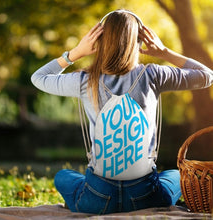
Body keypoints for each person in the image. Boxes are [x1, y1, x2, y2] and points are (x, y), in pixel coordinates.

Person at [31, 10, 213, 214]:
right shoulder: (154, 75)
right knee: (175, 175)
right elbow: (207, 75)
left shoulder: (84, 80)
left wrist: (76, 53)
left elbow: (38, 78)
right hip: (146, 197)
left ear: (100, 41)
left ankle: (84, 195)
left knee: (63, 176)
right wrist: (164, 52)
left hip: (97, 198)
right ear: (139, 41)